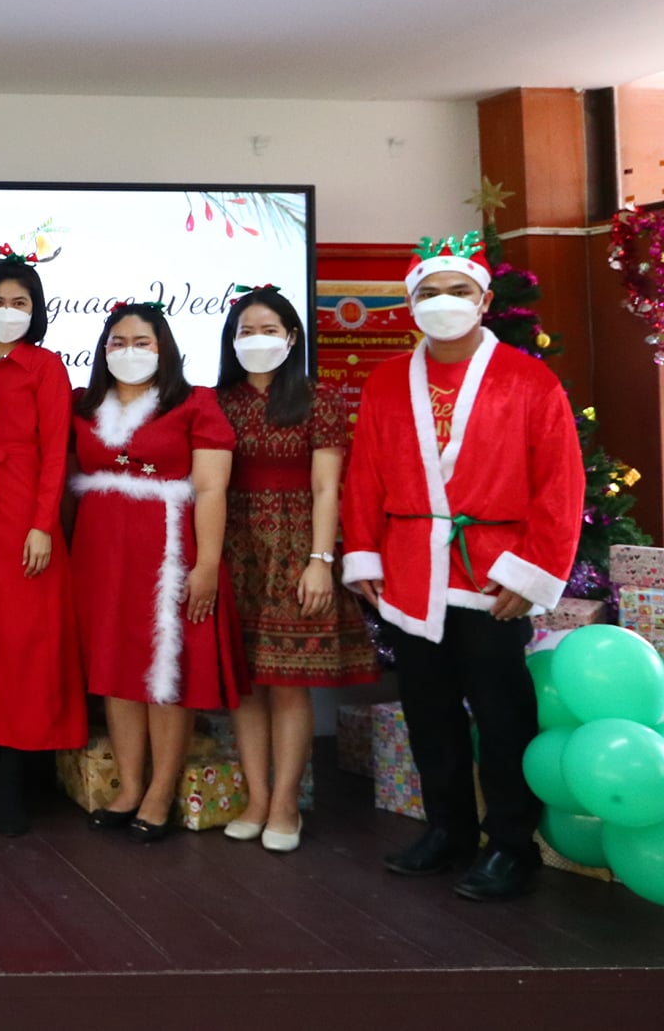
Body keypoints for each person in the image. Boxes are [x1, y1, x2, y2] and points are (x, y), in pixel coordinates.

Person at [342, 235, 584, 901]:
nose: (443, 302)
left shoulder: (530, 381)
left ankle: (511, 845)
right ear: (410, 304)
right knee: (429, 710)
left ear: (484, 299)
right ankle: (448, 829)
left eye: (457, 290)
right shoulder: (387, 382)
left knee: (503, 716)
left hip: (493, 573)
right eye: (429, 292)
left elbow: (560, 483)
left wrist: (531, 571)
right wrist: (363, 551)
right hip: (410, 571)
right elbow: (364, 474)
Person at [69, 301, 245, 842]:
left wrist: (207, 564)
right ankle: (129, 786)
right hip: (101, 555)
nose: (129, 351)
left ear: (163, 347)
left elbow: (211, 488)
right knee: (115, 667)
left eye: (141, 341)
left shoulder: (195, 404)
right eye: (117, 342)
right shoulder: (83, 405)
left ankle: (160, 792)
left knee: (166, 673)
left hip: (169, 553)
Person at [215, 285, 376, 853]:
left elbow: (328, 485)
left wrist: (320, 560)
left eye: (268, 330)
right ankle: (256, 799)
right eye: (246, 331)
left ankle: (285, 804)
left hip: (297, 547)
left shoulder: (318, 398)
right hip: (234, 547)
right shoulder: (218, 400)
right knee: (244, 685)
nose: (256, 340)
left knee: (287, 684)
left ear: (291, 337)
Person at [0, 249, 85, 837]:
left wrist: (42, 525)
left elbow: (55, 452)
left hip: (22, 517)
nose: (8, 310)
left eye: (20, 302)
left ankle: (15, 784)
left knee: (23, 651)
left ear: (36, 310)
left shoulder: (46, 367)